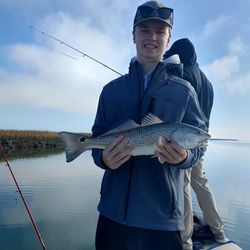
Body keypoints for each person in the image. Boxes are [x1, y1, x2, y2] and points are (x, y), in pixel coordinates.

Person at [91, 2, 206, 250]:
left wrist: (184, 156)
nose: (152, 37)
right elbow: (96, 139)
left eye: (160, 31)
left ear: (168, 38)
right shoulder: (110, 91)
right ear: (133, 35)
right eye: (144, 30)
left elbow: (200, 148)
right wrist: (103, 159)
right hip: (111, 215)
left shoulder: (185, 91)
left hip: (161, 222)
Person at [164, 38, 229, 249]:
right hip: (201, 140)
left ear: (179, 55)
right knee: (201, 184)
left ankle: (185, 242)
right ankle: (219, 232)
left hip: (184, 141)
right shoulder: (208, 82)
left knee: (182, 187)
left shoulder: (183, 74)